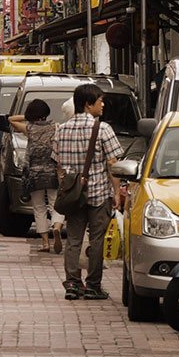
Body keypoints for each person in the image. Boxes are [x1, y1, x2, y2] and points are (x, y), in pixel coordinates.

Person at [53, 82, 123, 300]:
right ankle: (93, 285)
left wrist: (66, 187)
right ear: (87, 104)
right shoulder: (102, 129)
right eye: (100, 101)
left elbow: (58, 165)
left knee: (73, 239)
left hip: (74, 196)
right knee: (97, 240)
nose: (103, 105)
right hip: (99, 194)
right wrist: (117, 192)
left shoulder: (61, 130)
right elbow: (112, 163)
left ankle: (72, 284)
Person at [9, 98, 63, 253]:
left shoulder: (29, 128)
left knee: (39, 207)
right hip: (52, 172)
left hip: (34, 174)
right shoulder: (56, 127)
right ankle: (57, 227)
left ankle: (45, 243)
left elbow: (11, 119)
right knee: (55, 204)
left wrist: (27, 117)